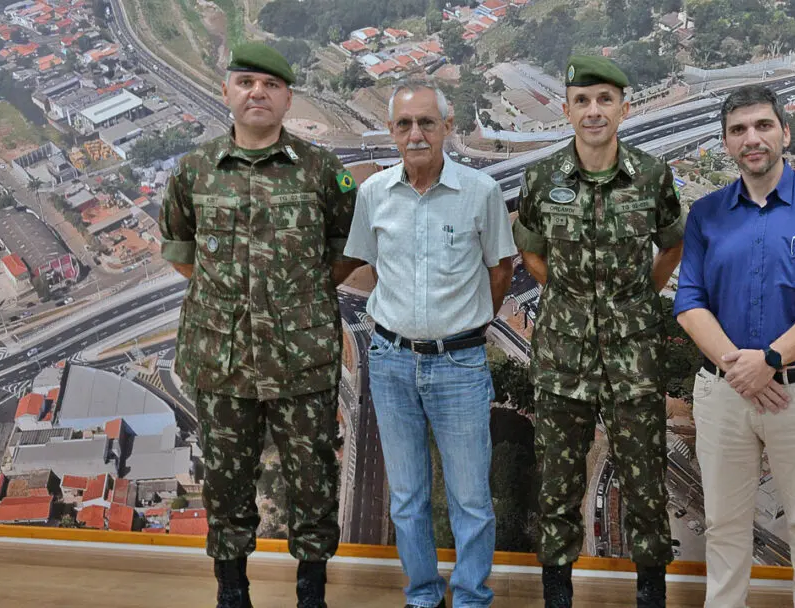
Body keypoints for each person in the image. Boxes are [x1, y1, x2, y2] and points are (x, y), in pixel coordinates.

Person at [159, 42, 361, 608]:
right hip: (222, 360)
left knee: (313, 480)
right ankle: (232, 589)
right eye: (246, 82)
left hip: (302, 358)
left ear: (287, 99)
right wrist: (231, 300)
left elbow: (346, 250)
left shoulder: (321, 169)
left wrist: (296, 300)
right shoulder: (194, 170)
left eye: (270, 85)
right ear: (226, 91)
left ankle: (311, 591)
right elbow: (182, 253)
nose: (257, 93)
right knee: (226, 482)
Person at [674, 84, 795, 608]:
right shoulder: (707, 213)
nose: (751, 138)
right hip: (724, 393)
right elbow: (689, 303)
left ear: (785, 133)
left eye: (762, 126)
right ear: (726, 144)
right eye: (738, 130)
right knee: (723, 526)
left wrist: (770, 361)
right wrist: (742, 371)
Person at [512, 55, 684, 608]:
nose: (593, 111)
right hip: (562, 357)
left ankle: (650, 593)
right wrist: (571, 298)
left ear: (623, 109)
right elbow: (531, 251)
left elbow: (672, 245)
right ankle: (557, 594)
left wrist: (635, 299)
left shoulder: (652, 176)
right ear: (567, 110)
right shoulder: (541, 179)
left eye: (605, 100)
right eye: (582, 101)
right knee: (557, 485)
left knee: (646, 485)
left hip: (635, 358)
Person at [343, 80, 516, 608]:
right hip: (390, 363)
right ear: (391, 131)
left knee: (470, 498)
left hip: (459, 364)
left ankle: (470, 597)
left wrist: (468, 326)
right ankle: (422, 594)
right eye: (404, 124)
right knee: (406, 498)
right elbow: (372, 265)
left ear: (447, 126)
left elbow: (501, 269)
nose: (415, 134)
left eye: (426, 122)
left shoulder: (481, 193)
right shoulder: (374, 194)